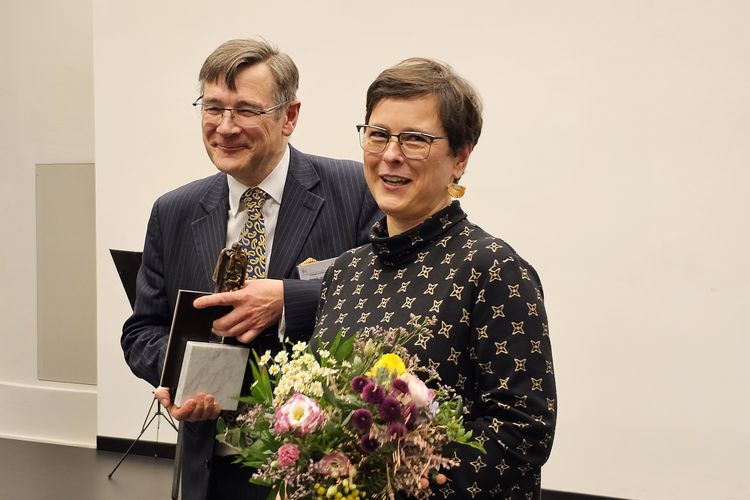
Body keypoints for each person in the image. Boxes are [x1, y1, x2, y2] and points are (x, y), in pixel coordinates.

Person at [121, 39, 380, 500]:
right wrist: (178, 376)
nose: (225, 127)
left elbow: (383, 299)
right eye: (213, 107)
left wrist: (288, 299)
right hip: (211, 466)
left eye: (245, 110)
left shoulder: (356, 190)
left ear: (290, 116)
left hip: (323, 465)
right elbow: (142, 331)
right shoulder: (173, 211)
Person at [313, 58, 556, 499]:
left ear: (460, 158)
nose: (390, 154)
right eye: (378, 134)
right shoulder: (345, 272)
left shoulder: (493, 268)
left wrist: (408, 481)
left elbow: (522, 429)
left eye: (415, 139)